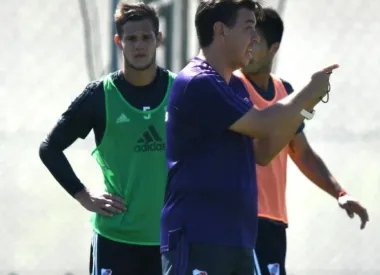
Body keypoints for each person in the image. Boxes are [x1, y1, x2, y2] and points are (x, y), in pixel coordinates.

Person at [161, 1, 339, 274]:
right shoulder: (198, 81)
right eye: (248, 28)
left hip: (237, 240)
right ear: (221, 31)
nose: (254, 38)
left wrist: (306, 106)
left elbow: (263, 152)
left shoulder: (232, 85)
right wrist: (308, 91)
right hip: (199, 238)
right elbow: (265, 124)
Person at [38, 2, 175, 275]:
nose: (139, 45)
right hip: (116, 240)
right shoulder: (99, 95)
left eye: (146, 37)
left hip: (169, 240)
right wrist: (83, 194)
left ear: (158, 39)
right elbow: (49, 148)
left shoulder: (180, 90)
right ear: (118, 41)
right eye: (131, 38)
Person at [235, 8, 370, 275]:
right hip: (239, 219)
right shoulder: (231, 87)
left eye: (255, 41)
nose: (247, 47)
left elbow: (301, 152)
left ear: (274, 48)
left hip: (274, 221)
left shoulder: (285, 91)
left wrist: (340, 193)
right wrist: (308, 103)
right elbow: (261, 152)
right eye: (244, 38)